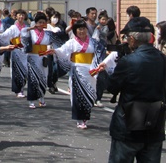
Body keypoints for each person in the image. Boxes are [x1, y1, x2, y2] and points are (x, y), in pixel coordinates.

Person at [107, 17, 165, 163]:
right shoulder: (162, 59)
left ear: (132, 39)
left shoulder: (128, 61)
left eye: (127, 37)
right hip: (154, 124)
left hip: (127, 125)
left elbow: (112, 87)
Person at [50, 18, 105, 129]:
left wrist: (100, 65)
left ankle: (85, 117)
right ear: (75, 31)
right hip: (77, 70)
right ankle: (80, 119)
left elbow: (99, 53)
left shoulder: (93, 42)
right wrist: (54, 51)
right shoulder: (72, 42)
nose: (82, 31)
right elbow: (62, 51)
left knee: (90, 94)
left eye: (84, 29)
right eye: (79, 29)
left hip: (90, 70)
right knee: (77, 95)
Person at [0, 9, 29, 98]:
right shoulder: (13, 28)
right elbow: (5, 35)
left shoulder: (26, 27)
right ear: (16, 16)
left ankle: (21, 87)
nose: (21, 17)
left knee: (25, 70)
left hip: (24, 52)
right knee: (16, 71)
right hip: (16, 51)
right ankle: (19, 90)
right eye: (19, 15)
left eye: (22, 15)